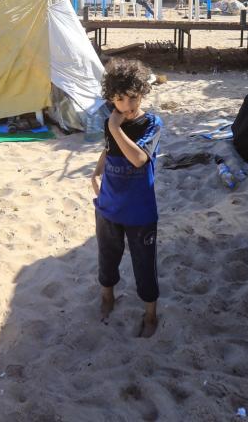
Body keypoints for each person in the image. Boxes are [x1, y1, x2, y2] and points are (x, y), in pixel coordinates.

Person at [91, 59, 163, 338]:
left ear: (142, 92)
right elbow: (109, 149)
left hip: (140, 213)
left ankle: (150, 314)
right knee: (107, 258)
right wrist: (95, 173)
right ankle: (107, 297)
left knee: (144, 264)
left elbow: (137, 159)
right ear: (111, 98)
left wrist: (116, 127)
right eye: (119, 100)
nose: (126, 105)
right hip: (108, 206)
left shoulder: (152, 124)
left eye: (132, 97)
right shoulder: (110, 120)